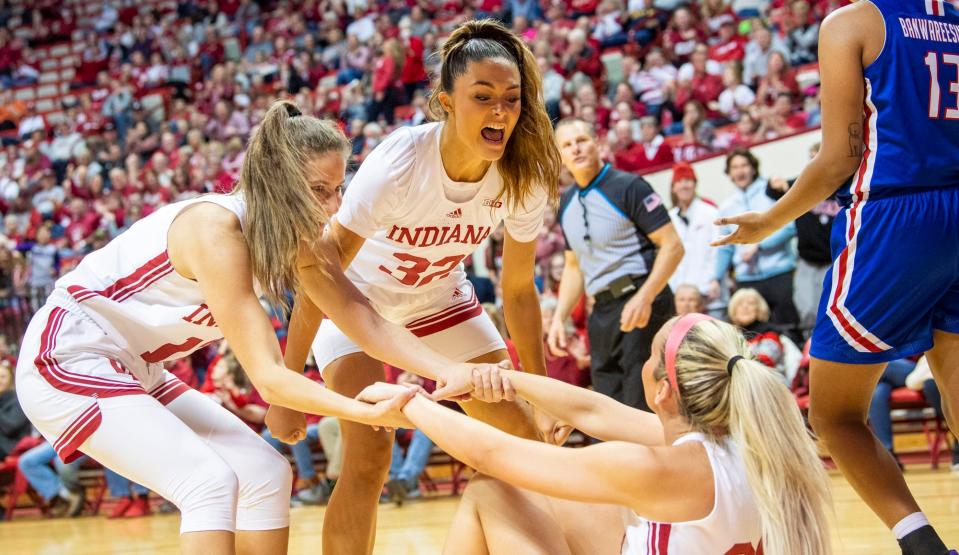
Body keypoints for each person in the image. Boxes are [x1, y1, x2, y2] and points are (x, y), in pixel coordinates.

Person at [15, 100, 509, 555]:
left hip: (134, 366)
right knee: (208, 482)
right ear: (276, 180)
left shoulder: (301, 240)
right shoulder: (216, 229)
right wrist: (361, 412)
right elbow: (269, 377)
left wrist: (450, 371)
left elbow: (365, 320)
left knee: (266, 472)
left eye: (338, 188)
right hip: (68, 353)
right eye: (320, 190)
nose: (335, 205)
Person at [268, 19, 566, 555]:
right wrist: (287, 387)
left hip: (439, 295)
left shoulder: (525, 173)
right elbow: (321, 274)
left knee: (522, 438)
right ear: (446, 102)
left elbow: (518, 290)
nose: (500, 111)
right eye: (483, 96)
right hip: (357, 301)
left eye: (511, 98)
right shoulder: (401, 161)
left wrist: (547, 394)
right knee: (368, 455)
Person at [713, 2, 959, 553]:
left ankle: (923, 545)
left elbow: (840, 158)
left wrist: (770, 218)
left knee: (833, 413)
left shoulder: (853, 22)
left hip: (897, 218)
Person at [360, 314, 833, 555]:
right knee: (508, 490)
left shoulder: (657, 468)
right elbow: (593, 408)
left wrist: (412, 402)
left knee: (493, 488)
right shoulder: (742, 436)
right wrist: (505, 380)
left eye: (649, 356)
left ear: (664, 390)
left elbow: (497, 452)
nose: (642, 363)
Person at [550, 118, 683, 411]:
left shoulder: (629, 186)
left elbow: (672, 246)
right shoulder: (566, 203)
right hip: (602, 312)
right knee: (607, 404)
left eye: (582, 140)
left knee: (643, 402)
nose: (576, 149)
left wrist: (645, 296)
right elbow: (574, 267)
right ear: (559, 156)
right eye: (567, 145)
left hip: (643, 300)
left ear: (598, 144)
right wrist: (560, 317)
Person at [712, 149, 799, 332]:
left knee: (789, 329)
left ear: (753, 168)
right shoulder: (727, 206)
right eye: (734, 167)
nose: (740, 171)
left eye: (744, 165)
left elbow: (790, 227)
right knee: (750, 334)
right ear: (729, 173)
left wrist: (759, 245)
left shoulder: (770, 192)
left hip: (778, 273)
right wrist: (716, 277)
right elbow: (725, 247)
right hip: (746, 279)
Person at [667, 162, 725, 318]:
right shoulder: (669, 218)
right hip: (679, 294)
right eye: (679, 181)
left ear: (695, 184)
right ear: (673, 188)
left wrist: (714, 279)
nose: (683, 185)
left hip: (709, 292)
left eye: (687, 180)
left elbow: (719, 250)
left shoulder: (711, 213)